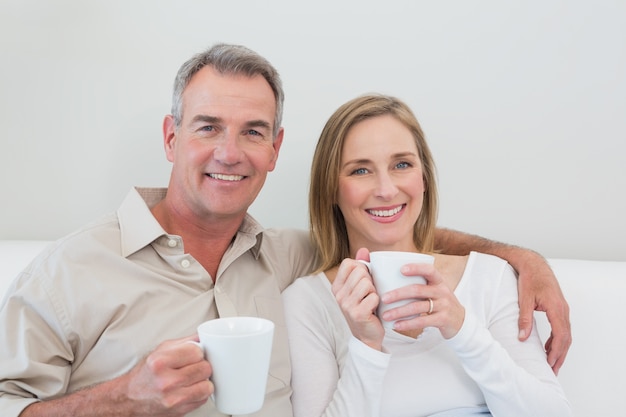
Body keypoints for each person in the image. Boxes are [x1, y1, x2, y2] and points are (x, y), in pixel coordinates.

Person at [0, 44, 568, 417]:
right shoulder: (70, 271)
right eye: (208, 127)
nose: (229, 152)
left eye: (252, 131)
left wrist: (517, 258)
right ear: (172, 138)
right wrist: (125, 398)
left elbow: (385, 226)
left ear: (274, 149)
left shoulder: (290, 257)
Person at [283, 94, 572, 416]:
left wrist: (462, 329)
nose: (386, 189)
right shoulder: (307, 302)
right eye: (360, 170)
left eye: (402, 165)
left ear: (423, 179)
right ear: (330, 189)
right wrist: (366, 346)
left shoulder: (491, 277)